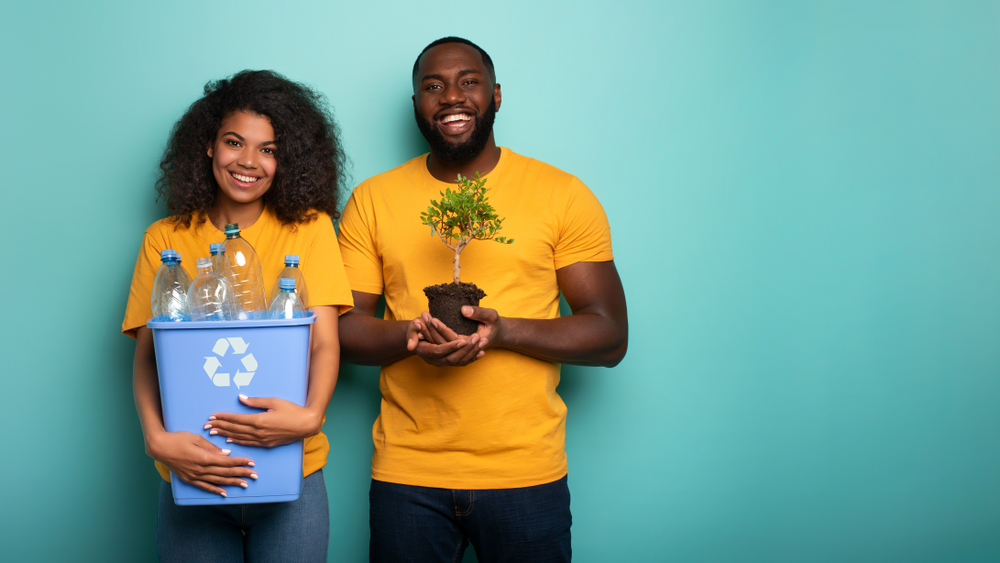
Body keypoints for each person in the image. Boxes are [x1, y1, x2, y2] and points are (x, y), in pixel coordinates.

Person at [337, 37, 629, 562]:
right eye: (433, 86)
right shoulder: (373, 200)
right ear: (416, 106)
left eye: (468, 82)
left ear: (495, 95)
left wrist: (505, 331)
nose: (451, 96)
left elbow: (608, 333)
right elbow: (343, 329)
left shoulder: (560, 194)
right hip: (408, 473)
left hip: (525, 473)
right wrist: (411, 336)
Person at [122, 70, 353, 563]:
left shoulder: (310, 230)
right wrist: (155, 439)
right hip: (193, 469)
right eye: (234, 143)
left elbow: (324, 341)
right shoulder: (165, 238)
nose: (248, 162)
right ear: (208, 146)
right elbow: (148, 357)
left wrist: (311, 417)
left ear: (285, 159)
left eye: (268, 149)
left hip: (293, 471)